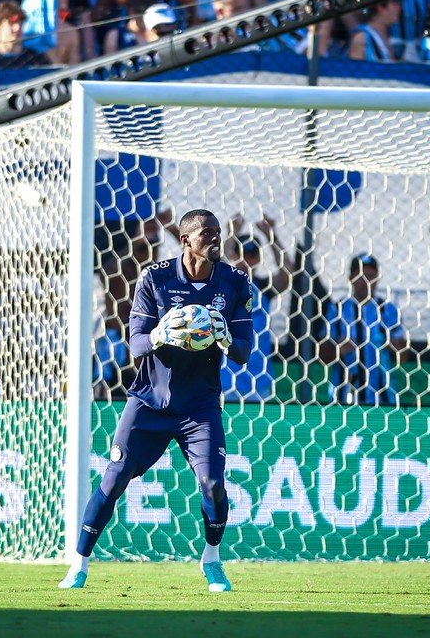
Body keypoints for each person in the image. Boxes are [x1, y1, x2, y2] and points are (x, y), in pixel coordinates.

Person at [59, 209, 253, 592]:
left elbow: (245, 351)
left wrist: (225, 337)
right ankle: (78, 565)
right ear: (186, 241)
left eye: (219, 233)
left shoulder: (234, 282)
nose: (216, 240)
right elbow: (136, 344)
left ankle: (211, 561)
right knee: (113, 480)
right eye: (207, 234)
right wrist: (163, 333)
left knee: (214, 485)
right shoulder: (156, 278)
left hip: (199, 407)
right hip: (149, 401)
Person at [221, 214, 294, 402]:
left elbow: (288, 271)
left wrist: (272, 236)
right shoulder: (222, 286)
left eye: (252, 255)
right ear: (233, 255)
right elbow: (216, 266)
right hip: (225, 380)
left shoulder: (263, 287)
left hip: (258, 381)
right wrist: (232, 233)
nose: (247, 260)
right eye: (241, 253)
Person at [320, 254, 406, 406]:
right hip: (343, 396)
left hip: (383, 397)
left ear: (377, 278)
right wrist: (339, 350)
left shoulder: (388, 310)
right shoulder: (337, 309)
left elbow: (404, 356)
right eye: (360, 275)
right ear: (350, 278)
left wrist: (392, 345)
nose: (365, 281)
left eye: (370, 276)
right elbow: (322, 356)